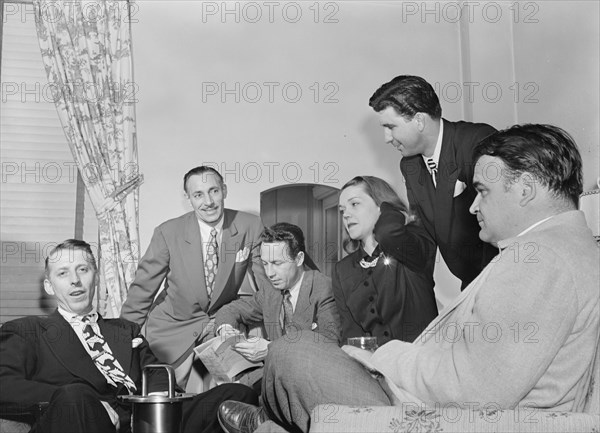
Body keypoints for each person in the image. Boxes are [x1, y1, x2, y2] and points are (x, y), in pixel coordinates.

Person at [217, 124, 599, 433]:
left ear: (526, 189)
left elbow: (470, 389)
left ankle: (267, 425)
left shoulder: (540, 261)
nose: (473, 204)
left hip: (429, 412)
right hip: (417, 391)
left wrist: (386, 358)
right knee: (299, 354)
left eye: (482, 190)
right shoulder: (554, 250)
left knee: (291, 352)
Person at [0, 239, 258, 433]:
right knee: (75, 395)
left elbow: (157, 376)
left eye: (83, 270)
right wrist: (87, 401)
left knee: (235, 395)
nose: (75, 281)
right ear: (49, 286)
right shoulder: (27, 331)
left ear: (96, 277)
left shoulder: (125, 330)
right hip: (86, 418)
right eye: (63, 273)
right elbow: (5, 386)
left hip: (145, 420)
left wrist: (159, 403)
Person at [121, 166, 268, 388]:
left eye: (214, 191)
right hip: (171, 327)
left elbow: (269, 286)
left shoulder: (250, 225)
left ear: (224, 190)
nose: (208, 201)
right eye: (198, 195)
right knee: (160, 396)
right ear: (188, 198)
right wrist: (121, 342)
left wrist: (278, 340)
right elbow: (142, 290)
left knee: (242, 385)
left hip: (219, 323)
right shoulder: (168, 232)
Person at [369, 75, 498, 288]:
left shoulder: (475, 141)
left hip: (496, 278)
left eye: (390, 127)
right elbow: (424, 239)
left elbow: (504, 220)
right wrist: (389, 233)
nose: (386, 138)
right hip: (470, 284)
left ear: (419, 120)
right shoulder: (409, 166)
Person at [214, 222, 341, 391]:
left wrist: (269, 349)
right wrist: (225, 329)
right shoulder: (270, 289)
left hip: (311, 386)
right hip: (271, 383)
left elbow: (328, 347)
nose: (270, 273)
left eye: (277, 263)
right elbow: (231, 310)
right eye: (265, 264)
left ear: (299, 259)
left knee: (226, 396)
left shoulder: (324, 288)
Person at [334, 176, 437, 345]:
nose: (346, 214)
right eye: (342, 210)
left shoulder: (412, 246)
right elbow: (350, 333)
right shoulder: (342, 270)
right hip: (374, 367)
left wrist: (390, 208)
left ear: (380, 206)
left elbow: (388, 232)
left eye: (354, 204)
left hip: (422, 365)